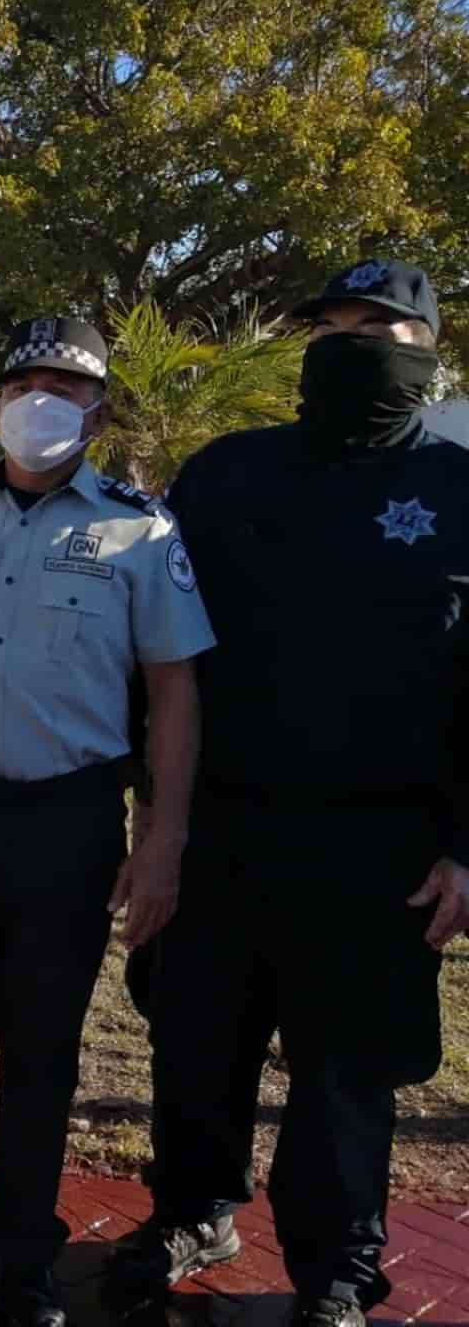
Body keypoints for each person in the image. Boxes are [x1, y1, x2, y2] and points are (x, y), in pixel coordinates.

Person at [108, 261, 469, 1327]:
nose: (350, 344)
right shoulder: (227, 477)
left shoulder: (461, 492)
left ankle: (339, 1270)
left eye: (379, 328)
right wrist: (151, 820)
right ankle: (192, 1211)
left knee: (345, 1078)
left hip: (381, 847)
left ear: (428, 348)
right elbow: (158, 663)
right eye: (334, 326)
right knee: (195, 1042)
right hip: (222, 826)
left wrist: (468, 846)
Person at [0, 318, 215, 1327]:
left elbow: (176, 689)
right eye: (28, 382)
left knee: (43, 1046)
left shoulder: (137, 531)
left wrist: (164, 838)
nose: (44, 401)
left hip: (69, 818)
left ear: (100, 413)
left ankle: (24, 1252)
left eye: (68, 386)